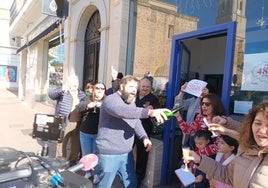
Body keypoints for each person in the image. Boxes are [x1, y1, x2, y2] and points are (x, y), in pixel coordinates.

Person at [95, 75, 170, 188]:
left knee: (131, 184)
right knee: (104, 185)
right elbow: (122, 111)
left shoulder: (131, 103)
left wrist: (144, 137)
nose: (134, 90)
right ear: (122, 86)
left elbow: (135, 121)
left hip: (126, 153)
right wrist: (149, 112)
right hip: (109, 154)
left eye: (135, 88)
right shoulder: (111, 99)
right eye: (131, 87)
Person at [187, 100, 268, 187]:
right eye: (257, 123)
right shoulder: (245, 150)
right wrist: (199, 160)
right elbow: (228, 175)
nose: (262, 130)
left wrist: (226, 130)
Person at [48, 75, 85, 158]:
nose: (75, 83)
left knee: (75, 145)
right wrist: (60, 89)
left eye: (76, 81)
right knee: (62, 143)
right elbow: (51, 95)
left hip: (78, 122)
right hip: (65, 122)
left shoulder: (82, 94)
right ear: (68, 83)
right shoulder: (63, 93)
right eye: (72, 81)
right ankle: (60, 161)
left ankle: (73, 162)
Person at [75, 82, 106, 179]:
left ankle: (96, 174)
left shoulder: (107, 101)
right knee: (86, 155)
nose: (99, 90)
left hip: (99, 134)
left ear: (104, 91)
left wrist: (103, 107)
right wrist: (88, 106)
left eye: (102, 88)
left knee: (97, 156)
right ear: (93, 90)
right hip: (85, 133)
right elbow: (78, 108)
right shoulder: (87, 98)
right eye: (97, 88)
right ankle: (87, 172)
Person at [134, 77, 160, 187]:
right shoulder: (133, 96)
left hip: (144, 131)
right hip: (130, 130)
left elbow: (155, 111)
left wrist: (151, 109)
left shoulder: (153, 98)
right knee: (126, 153)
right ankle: (127, 176)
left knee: (142, 157)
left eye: (147, 87)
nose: (145, 89)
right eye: (143, 86)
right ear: (139, 87)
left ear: (151, 88)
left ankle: (138, 180)